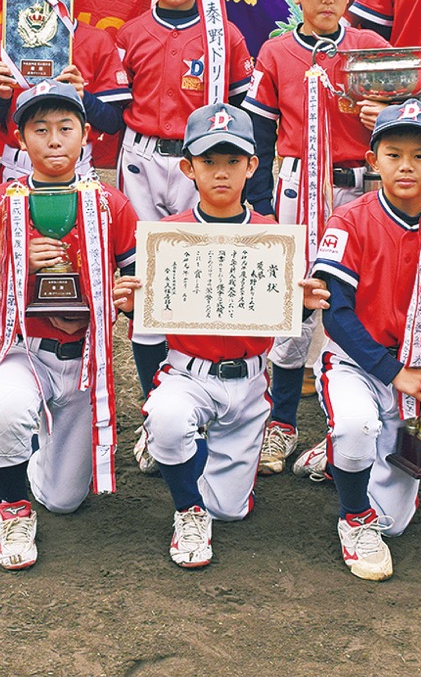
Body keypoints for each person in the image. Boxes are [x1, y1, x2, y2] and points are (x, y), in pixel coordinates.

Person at [0, 81, 138, 570]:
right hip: (23, 346)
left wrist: (129, 297)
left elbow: (141, 280)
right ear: (19, 139)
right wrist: (17, 263)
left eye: (66, 127)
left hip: (83, 359)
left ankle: (33, 444)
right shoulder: (0, 200)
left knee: (63, 499)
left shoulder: (111, 203)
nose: (54, 140)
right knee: (4, 407)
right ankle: (13, 507)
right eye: (40, 129)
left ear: (86, 137)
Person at [244, 0, 390, 476]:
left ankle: (343, 427)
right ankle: (280, 424)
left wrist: (389, 115)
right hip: (299, 184)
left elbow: (410, 121)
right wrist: (257, 204)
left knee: (358, 301)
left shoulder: (371, 44)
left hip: (362, 186)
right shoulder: (277, 51)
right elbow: (259, 133)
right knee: (293, 306)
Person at [114, 0, 254, 470]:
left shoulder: (225, 34)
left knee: (207, 279)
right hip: (145, 157)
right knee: (150, 288)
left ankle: (208, 405)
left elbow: (248, 109)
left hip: (208, 161)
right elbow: (108, 107)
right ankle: (157, 413)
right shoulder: (130, 33)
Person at [114, 104, 272, 568]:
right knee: (165, 418)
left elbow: (287, 315)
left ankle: (200, 457)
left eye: (232, 161)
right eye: (208, 162)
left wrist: (303, 302)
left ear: (252, 166)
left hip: (248, 380)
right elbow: (144, 311)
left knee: (231, 511)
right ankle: (187, 509)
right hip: (188, 372)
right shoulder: (165, 235)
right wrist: (130, 301)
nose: (220, 173)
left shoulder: (273, 236)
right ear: (188, 168)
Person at [309, 100, 421, 581]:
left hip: (415, 368)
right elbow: (338, 318)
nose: (406, 166)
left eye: (420, 155)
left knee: (396, 522)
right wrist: (394, 373)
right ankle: (354, 518)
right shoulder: (351, 219)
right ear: (373, 161)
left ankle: (338, 460)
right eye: (393, 154)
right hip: (356, 362)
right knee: (355, 429)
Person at [0, 0, 130, 183]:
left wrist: (83, 96)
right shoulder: (4, 35)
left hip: (76, 162)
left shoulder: (97, 40)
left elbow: (113, 122)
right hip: (19, 161)